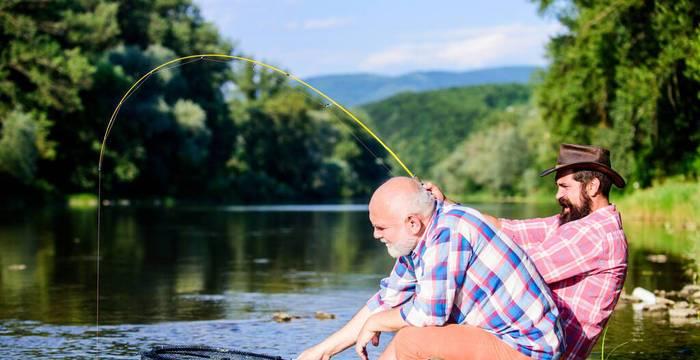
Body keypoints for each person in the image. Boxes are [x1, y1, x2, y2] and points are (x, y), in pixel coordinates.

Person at [298, 177, 563, 360]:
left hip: (528, 350)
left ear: (413, 222)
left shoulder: (449, 232)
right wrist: (323, 351)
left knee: (411, 339)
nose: (375, 236)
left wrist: (376, 322)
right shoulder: (417, 242)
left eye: (381, 228)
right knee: (404, 336)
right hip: (494, 338)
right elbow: (385, 301)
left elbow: (429, 314)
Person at [426, 143, 628, 360]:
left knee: (417, 339)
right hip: (522, 341)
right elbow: (508, 230)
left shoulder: (596, 235)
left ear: (592, 187)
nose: (557, 195)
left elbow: (516, 269)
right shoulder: (574, 223)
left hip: (541, 352)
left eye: (565, 186)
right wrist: (445, 205)